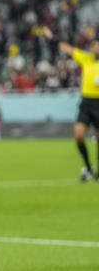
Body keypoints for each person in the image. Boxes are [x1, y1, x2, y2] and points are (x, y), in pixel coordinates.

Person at [42, 26, 99, 182]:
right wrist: (52, 36)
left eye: (97, 44)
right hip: (86, 102)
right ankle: (88, 167)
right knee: (79, 136)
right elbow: (66, 48)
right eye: (94, 45)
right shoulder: (85, 58)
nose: (95, 47)